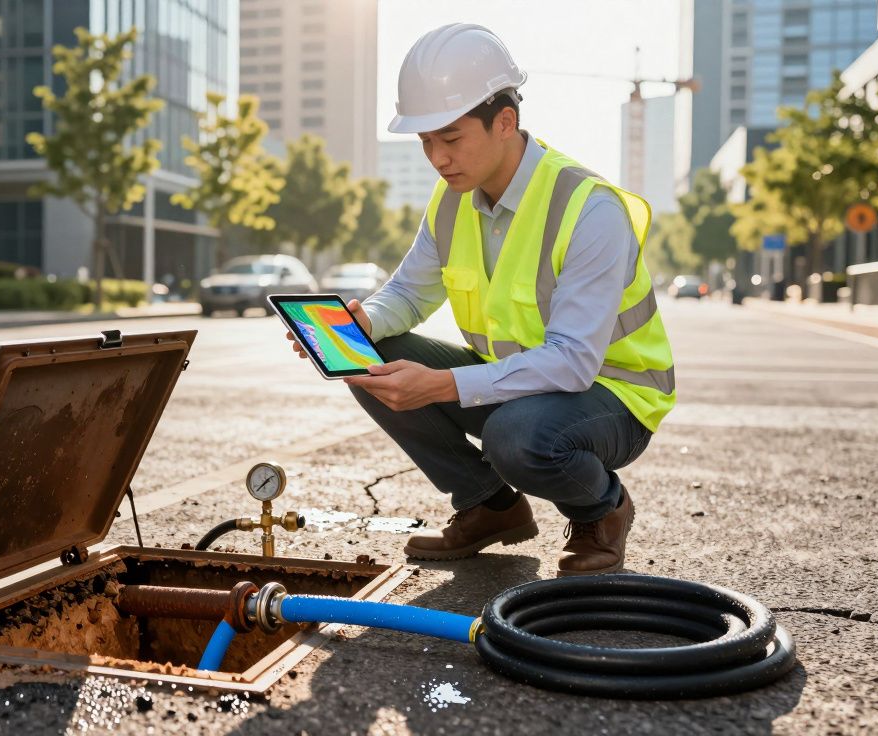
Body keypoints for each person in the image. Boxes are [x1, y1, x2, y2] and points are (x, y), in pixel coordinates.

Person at [285, 24, 675, 576]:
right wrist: (361, 321)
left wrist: (441, 385)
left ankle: (602, 511)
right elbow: (408, 291)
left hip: (612, 394)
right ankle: (490, 506)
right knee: (371, 356)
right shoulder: (452, 203)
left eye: (450, 137)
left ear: (505, 122)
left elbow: (573, 361)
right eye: (425, 142)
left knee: (515, 436)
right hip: (519, 382)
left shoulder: (590, 208)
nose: (437, 158)